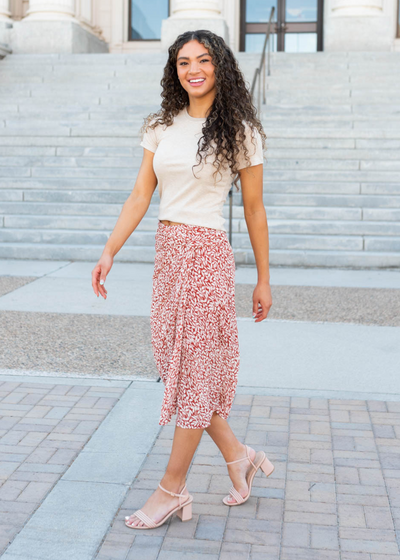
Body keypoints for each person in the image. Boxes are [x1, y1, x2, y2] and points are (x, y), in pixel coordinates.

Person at [91, 29, 273, 530]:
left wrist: (263, 278)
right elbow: (139, 195)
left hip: (207, 256)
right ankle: (240, 458)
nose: (193, 69)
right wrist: (109, 250)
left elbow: (255, 210)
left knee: (194, 375)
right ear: (175, 71)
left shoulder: (239, 130)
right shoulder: (161, 126)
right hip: (168, 256)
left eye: (203, 60)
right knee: (184, 372)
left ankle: (171, 490)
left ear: (220, 67)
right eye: (183, 62)